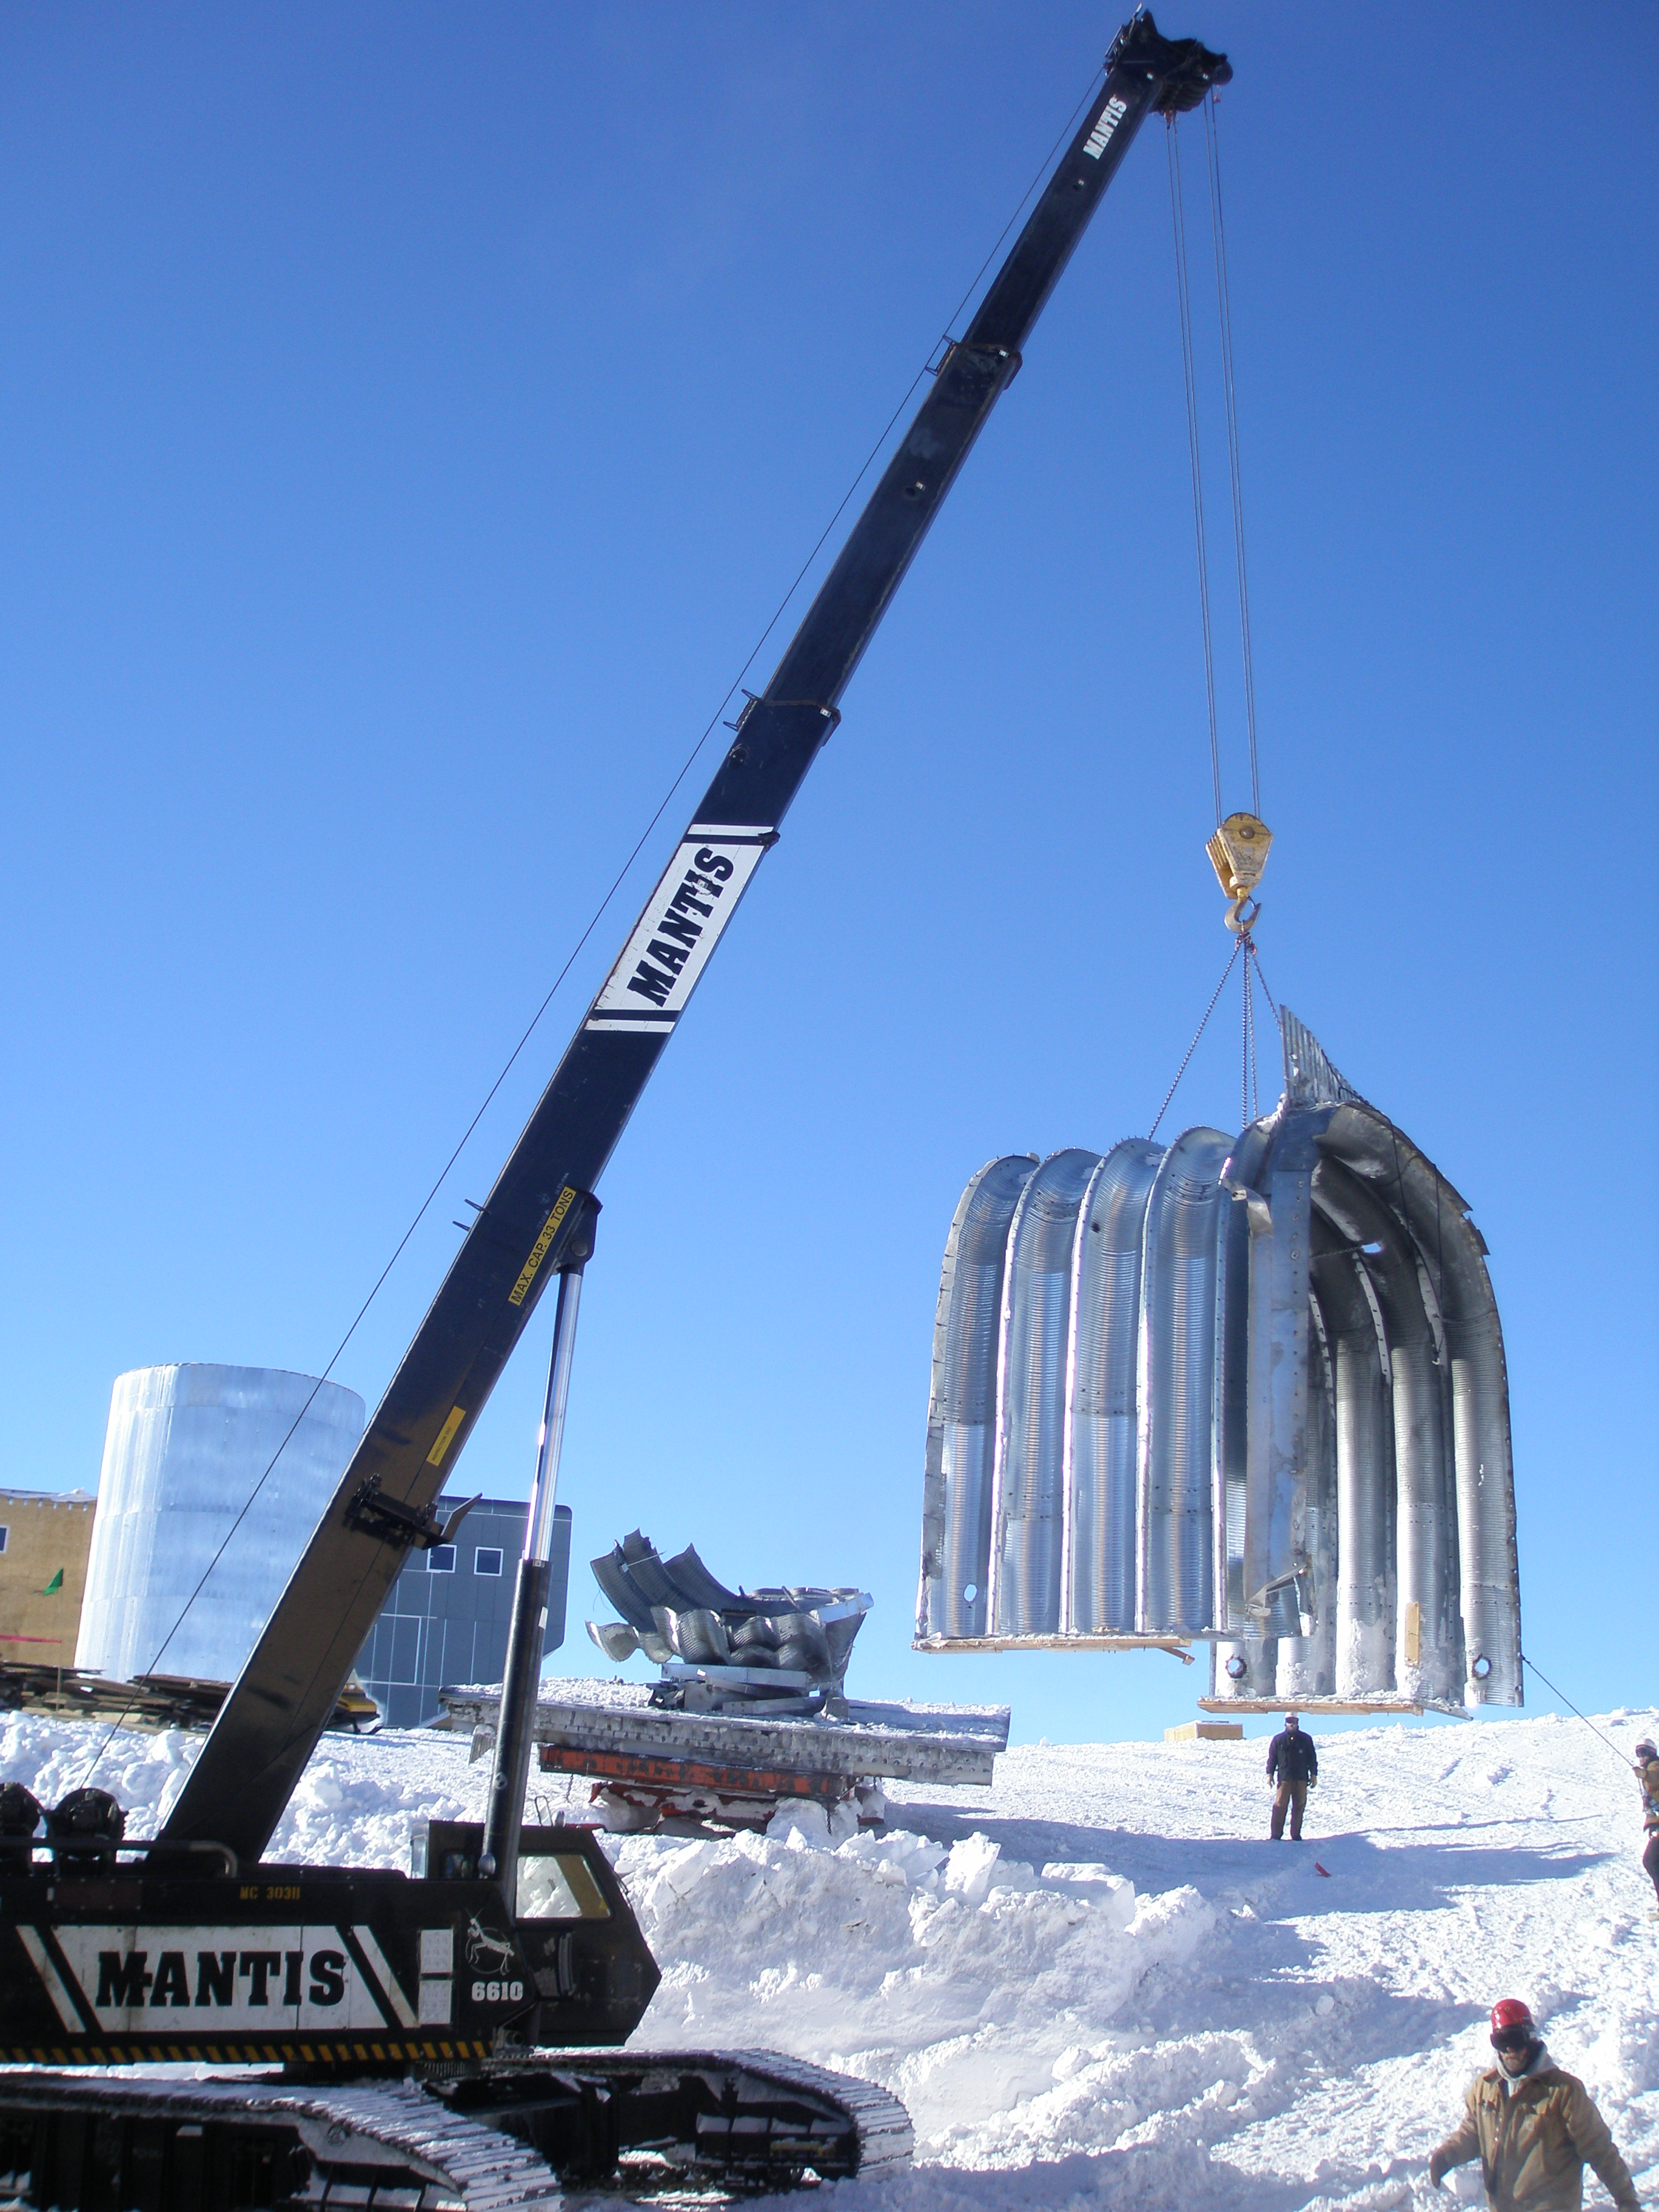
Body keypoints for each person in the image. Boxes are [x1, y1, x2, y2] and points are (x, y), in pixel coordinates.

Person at [1428, 1998, 1640, 2210]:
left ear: (1529, 2037)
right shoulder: (1485, 2089)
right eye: (1502, 2041)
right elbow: (1474, 2132)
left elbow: (1600, 2150)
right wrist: (1447, 2156)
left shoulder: (1562, 2092)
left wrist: (1626, 2200)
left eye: (1516, 2039)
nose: (1510, 2049)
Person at [1265, 1712, 1317, 1840]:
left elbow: (1312, 1759)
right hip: (1285, 1779)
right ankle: (1276, 1835)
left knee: (1299, 1806)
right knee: (1280, 1806)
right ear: (1285, 1723)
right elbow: (1272, 1758)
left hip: (1301, 1779)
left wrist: (1314, 1775)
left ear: (1297, 1722)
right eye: (1289, 1721)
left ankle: (1296, 1834)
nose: (1291, 1724)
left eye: (1293, 1721)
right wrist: (1270, 1774)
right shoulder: (1278, 1740)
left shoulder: (1306, 1739)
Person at [1634, 1738, 1659, 1909]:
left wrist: (1645, 1775)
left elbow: (1655, 1777)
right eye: (1638, 1753)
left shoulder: (1655, 1765)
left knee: (1651, 1860)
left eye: (1644, 1752)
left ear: (1651, 1753)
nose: (1641, 1756)